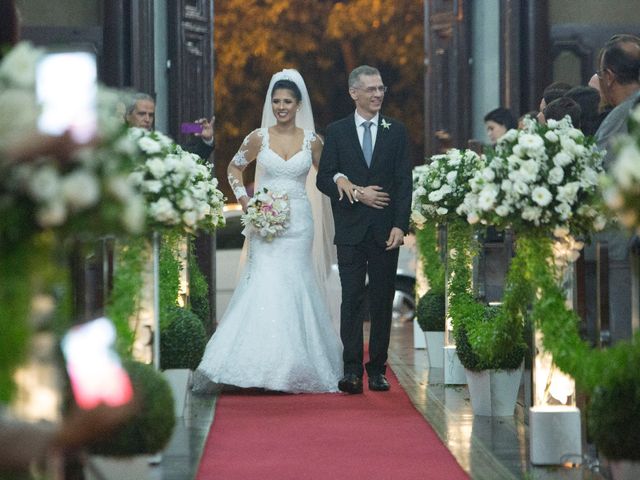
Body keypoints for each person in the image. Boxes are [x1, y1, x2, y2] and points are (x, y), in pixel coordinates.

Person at [193, 69, 343, 393]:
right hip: (264, 220)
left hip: (300, 223)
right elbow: (234, 167)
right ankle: (252, 363)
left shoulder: (312, 141)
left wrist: (345, 183)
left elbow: (326, 174)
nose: (281, 107)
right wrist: (245, 200)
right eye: (276, 101)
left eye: (287, 101)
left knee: (296, 283)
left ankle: (295, 364)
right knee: (264, 284)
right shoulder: (258, 137)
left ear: (298, 104)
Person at [316, 65, 412, 394]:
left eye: (381, 88)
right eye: (370, 89)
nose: (378, 94)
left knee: (383, 300)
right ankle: (352, 370)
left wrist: (401, 224)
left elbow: (404, 182)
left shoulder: (396, 131)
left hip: (386, 230)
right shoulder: (338, 131)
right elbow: (323, 177)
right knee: (352, 300)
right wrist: (355, 190)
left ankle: (378, 369)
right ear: (353, 93)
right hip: (351, 230)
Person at [123, 92, 216, 161]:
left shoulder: (162, 141)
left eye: (151, 115)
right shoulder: (117, 142)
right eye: (141, 114)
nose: (147, 119)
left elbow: (190, 158)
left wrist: (207, 140)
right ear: (128, 116)